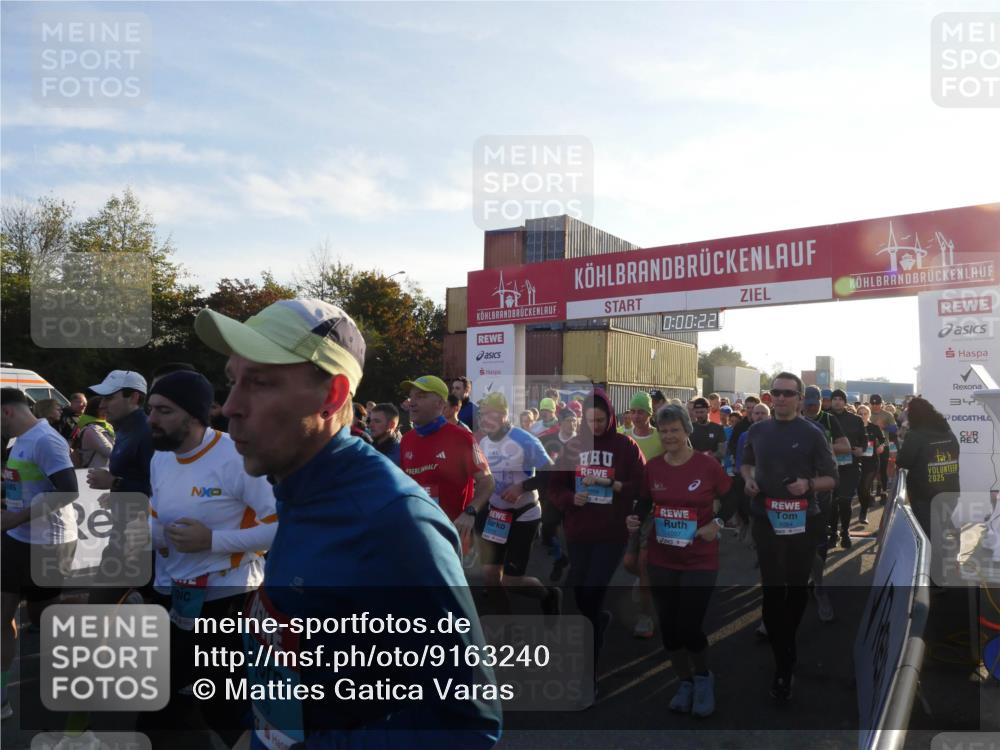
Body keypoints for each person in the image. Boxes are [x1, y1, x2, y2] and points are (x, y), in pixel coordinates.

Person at [194, 297, 502, 749]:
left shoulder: (396, 522)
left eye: (258, 383)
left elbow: (467, 724)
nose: (229, 406)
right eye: (231, 381)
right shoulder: (297, 487)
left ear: (332, 397)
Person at [147, 370, 278, 745]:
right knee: (162, 700)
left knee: (224, 707)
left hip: (228, 600)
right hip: (172, 595)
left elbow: (281, 526)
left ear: (194, 416)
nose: (152, 420)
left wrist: (213, 540)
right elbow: (159, 511)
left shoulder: (236, 456)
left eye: (164, 411)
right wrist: (149, 532)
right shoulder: (161, 456)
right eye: (150, 409)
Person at [627, 404, 737, 717]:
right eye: (664, 431)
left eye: (675, 429)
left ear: (687, 430)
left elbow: (731, 497)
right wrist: (635, 518)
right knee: (670, 629)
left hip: (700, 559)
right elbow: (644, 501)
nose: (669, 436)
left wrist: (716, 524)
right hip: (662, 557)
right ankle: (684, 681)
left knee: (689, 627)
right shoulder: (654, 467)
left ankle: (703, 678)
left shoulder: (707, 466)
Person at [740, 373, 838, 701]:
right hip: (765, 518)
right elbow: (747, 464)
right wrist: (749, 480)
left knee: (795, 590)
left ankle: (785, 643)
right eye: (775, 393)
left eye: (787, 393)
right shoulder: (757, 429)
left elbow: (832, 478)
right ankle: (784, 662)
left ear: (799, 398)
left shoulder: (813, 433)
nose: (780, 398)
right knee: (771, 590)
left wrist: (808, 485)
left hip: (802, 521)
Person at [549, 389, 646, 693]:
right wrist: (569, 497)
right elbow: (554, 486)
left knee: (592, 589)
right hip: (578, 532)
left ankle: (588, 671)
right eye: (590, 420)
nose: (596, 425)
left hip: (611, 533)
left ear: (611, 417)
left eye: (601, 419)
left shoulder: (625, 446)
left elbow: (641, 487)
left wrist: (613, 484)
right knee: (579, 592)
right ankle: (599, 618)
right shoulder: (573, 447)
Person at [1, 388, 79, 720]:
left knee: (45, 620)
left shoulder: (46, 440)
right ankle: (2, 697)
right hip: (16, 538)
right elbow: (21, 485)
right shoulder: (17, 440)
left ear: (6, 412)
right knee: (2, 617)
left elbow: (69, 491)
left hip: (50, 543)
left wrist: (16, 516)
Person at [474, 392, 561, 616]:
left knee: (511, 581)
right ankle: (506, 625)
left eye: (489, 414)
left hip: (524, 514)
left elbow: (551, 472)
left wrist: (522, 487)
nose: (484, 419)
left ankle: (548, 595)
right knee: (491, 578)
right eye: (482, 414)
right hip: (496, 515)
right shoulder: (482, 442)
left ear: (503, 415)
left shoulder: (524, 439)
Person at [85, 370, 154, 599]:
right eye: (103, 398)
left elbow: (160, 488)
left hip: (139, 537)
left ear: (134, 397)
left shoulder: (146, 431)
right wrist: (115, 490)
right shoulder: (126, 428)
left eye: (110, 398)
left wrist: (114, 482)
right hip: (125, 532)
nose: (103, 405)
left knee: (99, 605)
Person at [400, 375, 494, 540]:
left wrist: (470, 512)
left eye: (421, 396)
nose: (412, 402)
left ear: (440, 404)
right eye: (412, 396)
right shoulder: (407, 440)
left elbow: (487, 481)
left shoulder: (462, 438)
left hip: (450, 534)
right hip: (415, 529)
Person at [621, 392, 664, 639]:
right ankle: (653, 582)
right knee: (629, 563)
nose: (636, 416)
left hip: (654, 508)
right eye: (633, 411)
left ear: (650, 414)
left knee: (645, 567)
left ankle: (645, 617)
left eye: (641, 412)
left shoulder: (661, 438)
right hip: (629, 508)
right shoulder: (623, 438)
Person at [896, 397, 960, 543]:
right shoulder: (948, 432)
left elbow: (903, 461)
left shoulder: (916, 435)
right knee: (943, 529)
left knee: (929, 535)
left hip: (924, 494)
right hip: (950, 491)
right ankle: (948, 559)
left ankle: (935, 564)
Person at [828, 388, 867, 545]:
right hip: (829, 467)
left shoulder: (855, 419)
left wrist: (861, 449)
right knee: (831, 503)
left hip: (850, 466)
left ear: (845, 402)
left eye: (840, 399)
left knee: (845, 501)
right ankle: (832, 533)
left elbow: (864, 440)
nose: (837, 401)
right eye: (834, 399)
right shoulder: (825, 417)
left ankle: (845, 532)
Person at [856, 405, 887, 525]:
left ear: (869, 415)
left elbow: (883, 439)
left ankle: (863, 513)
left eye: (865, 413)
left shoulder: (874, 427)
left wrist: (881, 445)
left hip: (872, 461)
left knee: (865, 487)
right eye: (860, 413)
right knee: (860, 489)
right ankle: (864, 508)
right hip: (858, 461)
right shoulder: (855, 428)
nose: (863, 416)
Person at [71, 396, 115, 469]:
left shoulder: (105, 426)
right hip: (94, 474)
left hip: (104, 472)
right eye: (105, 408)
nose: (109, 410)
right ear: (97, 410)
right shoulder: (92, 429)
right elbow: (110, 452)